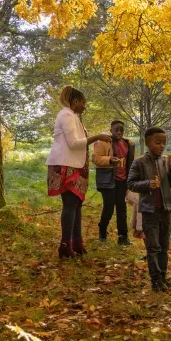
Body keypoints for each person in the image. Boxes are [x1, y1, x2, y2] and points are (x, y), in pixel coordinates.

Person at [47, 85, 111, 259]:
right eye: (83, 103)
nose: (84, 106)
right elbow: (74, 143)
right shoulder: (66, 115)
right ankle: (65, 246)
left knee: (76, 204)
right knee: (70, 205)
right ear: (74, 101)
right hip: (65, 165)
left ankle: (77, 242)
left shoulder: (73, 116)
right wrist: (97, 137)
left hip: (75, 164)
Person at [128, 127, 171, 292]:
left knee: (164, 246)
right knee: (153, 247)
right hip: (149, 211)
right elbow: (130, 183)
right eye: (158, 142)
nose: (161, 146)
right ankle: (155, 279)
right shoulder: (139, 162)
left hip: (165, 210)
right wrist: (147, 184)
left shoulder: (166, 161)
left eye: (164, 143)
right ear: (148, 142)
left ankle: (163, 277)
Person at [92, 120, 135, 246]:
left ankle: (123, 237)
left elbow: (131, 163)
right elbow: (95, 158)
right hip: (109, 180)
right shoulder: (104, 142)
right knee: (109, 207)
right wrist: (110, 160)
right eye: (116, 129)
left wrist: (131, 179)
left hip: (123, 181)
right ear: (111, 130)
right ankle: (102, 229)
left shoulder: (128, 144)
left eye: (121, 130)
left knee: (122, 209)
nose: (119, 132)